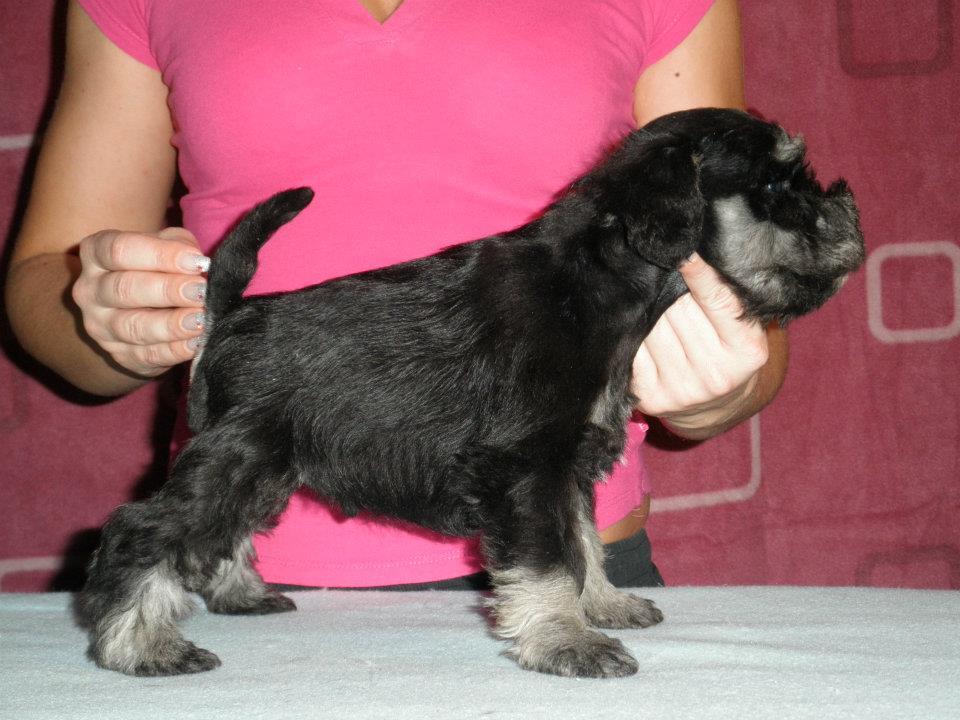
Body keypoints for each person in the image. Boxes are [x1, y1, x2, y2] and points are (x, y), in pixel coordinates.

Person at [6, 0, 787, 590]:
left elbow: (751, 271)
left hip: (573, 560)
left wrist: (722, 383)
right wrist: (102, 313)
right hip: (240, 562)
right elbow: (45, 281)